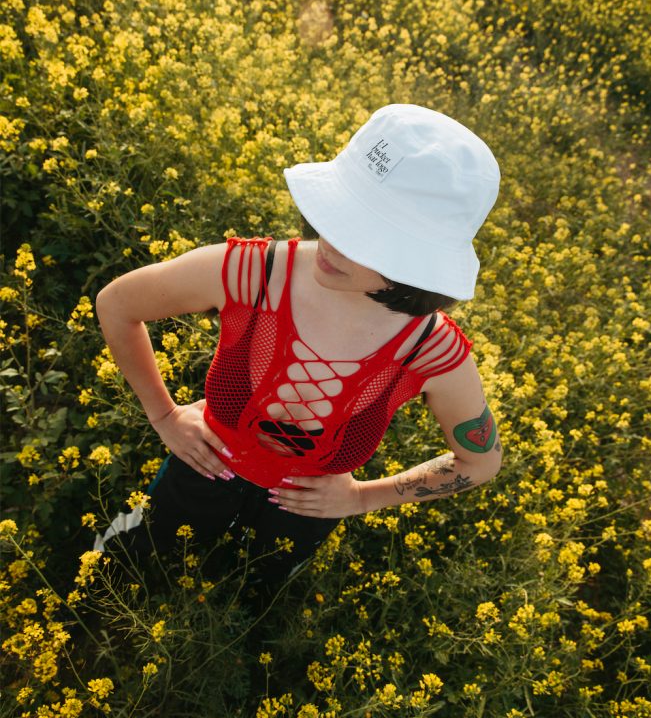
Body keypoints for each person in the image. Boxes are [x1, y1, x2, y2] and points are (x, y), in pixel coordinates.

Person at [94, 104, 502, 599]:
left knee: (254, 592)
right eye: (339, 213)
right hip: (200, 464)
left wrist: (358, 498)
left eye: (368, 239)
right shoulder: (249, 273)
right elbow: (116, 304)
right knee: (134, 562)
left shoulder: (431, 352)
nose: (332, 244)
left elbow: (479, 463)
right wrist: (163, 416)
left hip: (306, 513)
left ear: (420, 265)